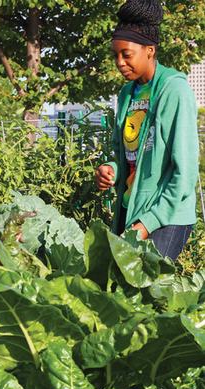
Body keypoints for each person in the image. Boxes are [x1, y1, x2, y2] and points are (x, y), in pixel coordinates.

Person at [95, 0, 199, 261]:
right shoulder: (127, 93)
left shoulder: (174, 90)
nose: (119, 62)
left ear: (150, 50)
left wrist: (148, 223)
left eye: (126, 54)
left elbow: (185, 172)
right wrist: (112, 170)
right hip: (131, 211)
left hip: (166, 217)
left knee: (148, 294)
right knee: (122, 294)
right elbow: (127, 156)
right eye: (116, 55)